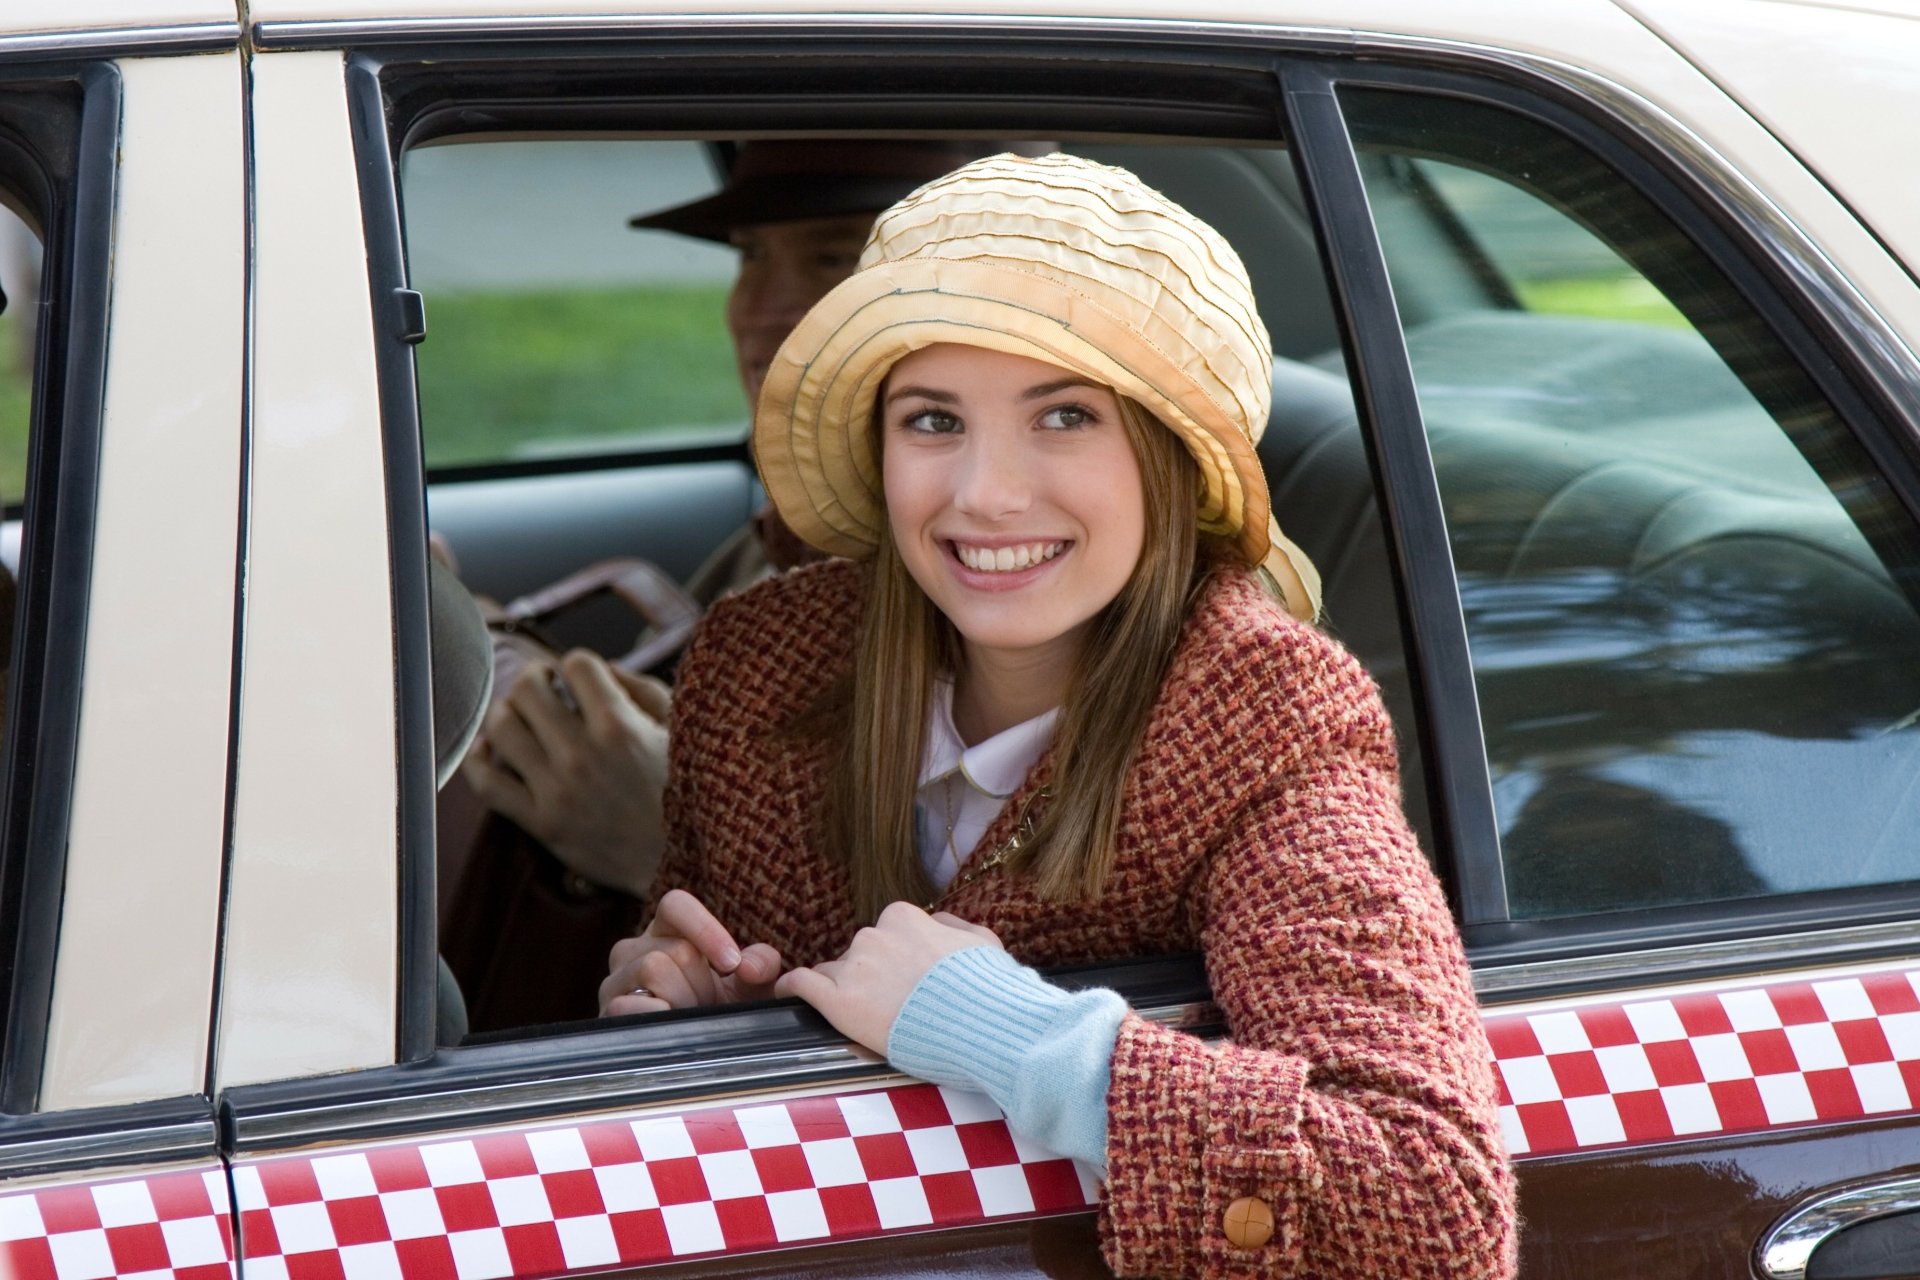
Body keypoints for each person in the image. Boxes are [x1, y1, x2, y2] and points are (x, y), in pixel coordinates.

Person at [599, 153, 1516, 1277]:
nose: (985, 490)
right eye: (932, 419)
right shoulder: (759, 669)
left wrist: (1018, 1036)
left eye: (1064, 415)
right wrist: (685, 1010)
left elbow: (1432, 1208)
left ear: (1170, 457)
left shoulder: (1263, 720)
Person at [459, 140, 993, 901]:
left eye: (829, 259)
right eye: (749, 257)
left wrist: (664, 850)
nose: (760, 309)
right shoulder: (769, 557)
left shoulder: (994, 590)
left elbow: (975, 969)